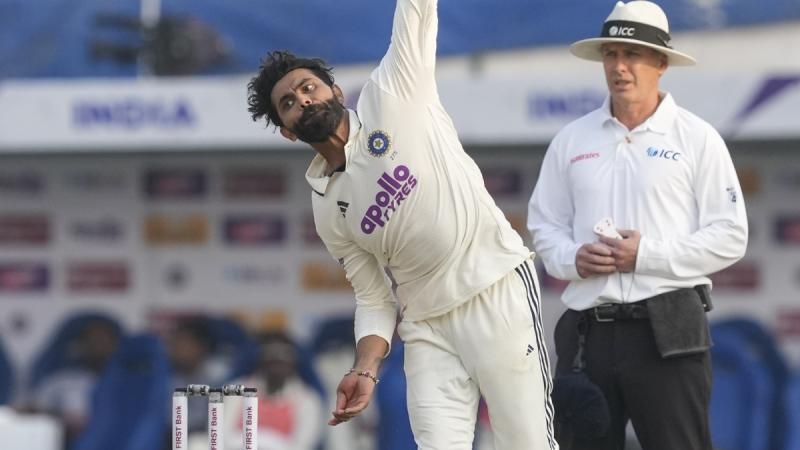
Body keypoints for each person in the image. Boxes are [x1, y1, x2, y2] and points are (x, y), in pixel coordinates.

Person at [246, 0, 557, 448]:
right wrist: (365, 367)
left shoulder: (393, 91)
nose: (304, 100)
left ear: (336, 90)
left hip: (493, 289)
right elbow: (373, 297)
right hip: (427, 327)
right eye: (289, 104)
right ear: (288, 131)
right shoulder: (327, 206)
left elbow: (417, 8)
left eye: (308, 87)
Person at [526, 2, 748, 450]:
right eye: (610, 54)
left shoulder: (697, 138)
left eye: (632, 54)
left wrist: (645, 255)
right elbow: (544, 225)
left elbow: (731, 235)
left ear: (661, 63)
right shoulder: (571, 139)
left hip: (669, 330)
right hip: (588, 333)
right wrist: (573, 258)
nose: (619, 66)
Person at [28, 318, 120, 448]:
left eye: (103, 341)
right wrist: (61, 418)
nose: (98, 347)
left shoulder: (128, 383)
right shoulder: (62, 380)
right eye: (92, 340)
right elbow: (36, 410)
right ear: (81, 345)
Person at [223, 331, 324, 450]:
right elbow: (221, 436)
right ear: (260, 361)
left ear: (293, 363)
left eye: (283, 357)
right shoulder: (235, 390)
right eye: (271, 357)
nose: (277, 364)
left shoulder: (308, 400)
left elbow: (302, 445)